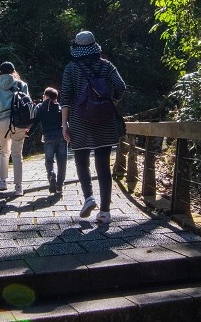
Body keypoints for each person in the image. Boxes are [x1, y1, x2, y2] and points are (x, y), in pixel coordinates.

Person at [60, 31, 126, 224]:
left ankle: (88, 197)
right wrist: (109, 101)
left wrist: (64, 125)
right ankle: (105, 212)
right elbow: (121, 86)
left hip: (80, 121)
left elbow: (65, 99)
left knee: (81, 159)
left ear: (77, 48)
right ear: (94, 45)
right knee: (103, 164)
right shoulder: (107, 66)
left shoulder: (71, 68)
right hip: (105, 120)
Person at [0, 61, 30, 196]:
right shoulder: (21, 85)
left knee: (4, 152)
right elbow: (28, 106)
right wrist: (29, 125)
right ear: (13, 71)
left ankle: (3, 182)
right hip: (19, 122)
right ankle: (18, 187)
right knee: (17, 154)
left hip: (2, 122)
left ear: (0, 72)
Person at [26, 87, 67, 196]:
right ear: (56, 97)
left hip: (48, 138)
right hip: (61, 137)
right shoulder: (60, 107)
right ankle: (59, 186)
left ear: (45, 96)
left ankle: (51, 175)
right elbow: (66, 122)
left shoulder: (41, 107)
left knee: (49, 160)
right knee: (62, 162)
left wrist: (28, 133)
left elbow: (36, 121)